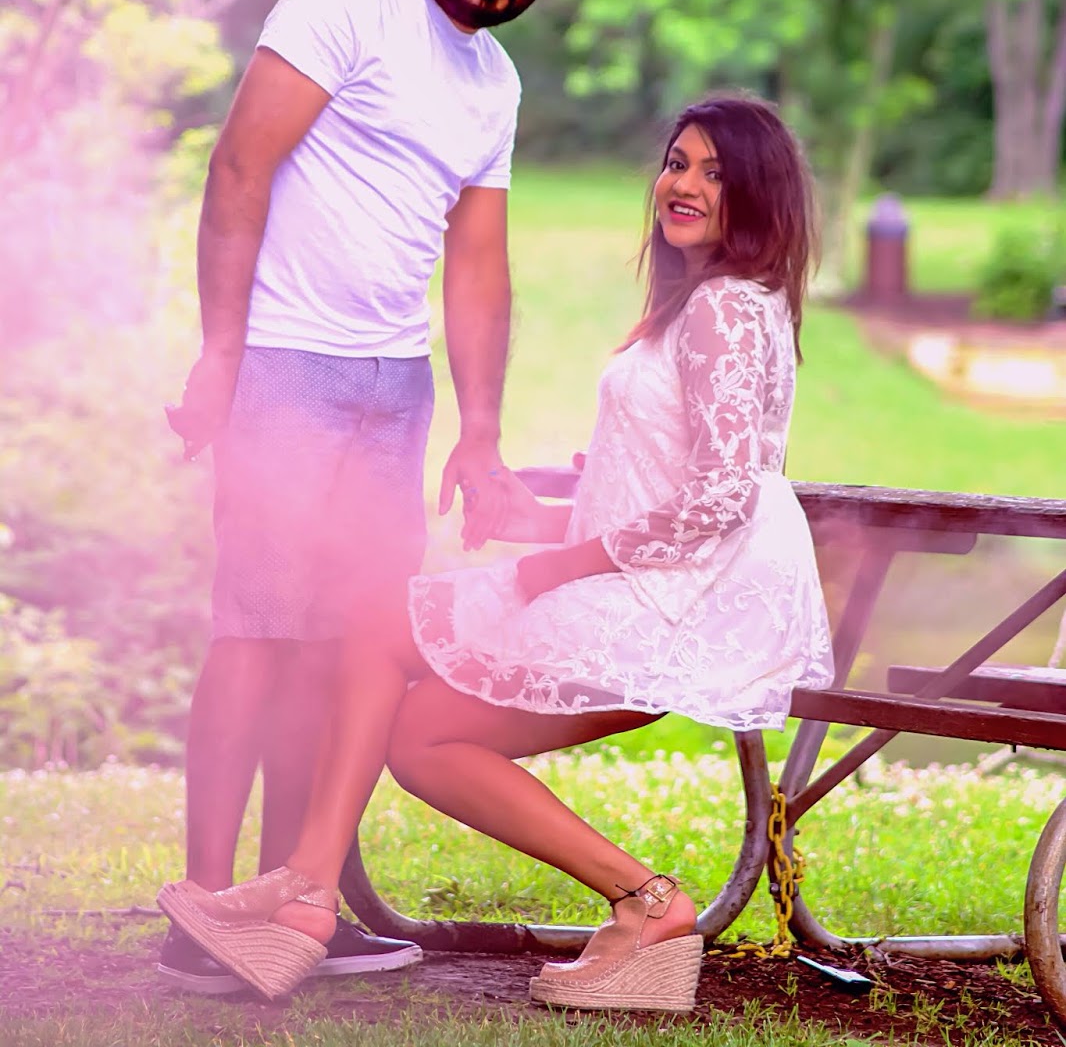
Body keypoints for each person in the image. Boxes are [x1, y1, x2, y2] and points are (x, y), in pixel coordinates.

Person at [159, 93, 834, 1013]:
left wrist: (556, 567)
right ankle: (648, 902)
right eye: (678, 162)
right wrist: (542, 516)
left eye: (716, 173)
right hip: (656, 589)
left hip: (669, 610)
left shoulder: (725, 308)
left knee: (376, 624)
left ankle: (307, 894)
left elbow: (723, 498)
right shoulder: (716, 306)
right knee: (422, 738)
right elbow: (671, 488)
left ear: (758, 196)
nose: (684, 184)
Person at [157, 0, 579, 993]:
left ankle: (292, 896)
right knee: (257, 628)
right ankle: (198, 911)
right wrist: (222, 354)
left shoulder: (494, 83)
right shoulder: (346, 2)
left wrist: (480, 433)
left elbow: (477, 265)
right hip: (286, 365)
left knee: (344, 645)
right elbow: (238, 171)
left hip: (394, 389)